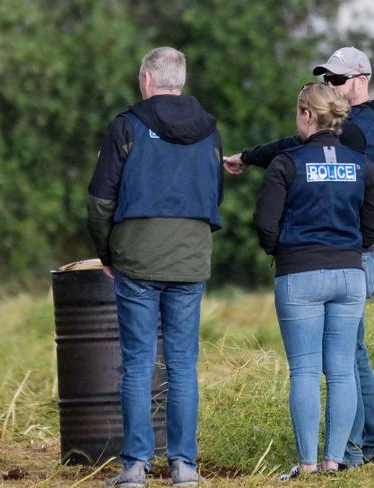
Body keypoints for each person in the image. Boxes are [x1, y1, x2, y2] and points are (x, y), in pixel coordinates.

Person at [226, 46, 374, 468]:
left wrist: (285, 251)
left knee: (325, 364)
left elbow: (296, 153)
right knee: (347, 360)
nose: (331, 87)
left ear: (360, 79)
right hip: (350, 258)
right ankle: (350, 453)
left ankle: (358, 451)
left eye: (336, 81)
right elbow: (308, 144)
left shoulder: (362, 128)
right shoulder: (363, 131)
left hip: (333, 259)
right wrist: (250, 155)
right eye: (327, 81)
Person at [87, 46, 223, 487]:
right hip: (190, 258)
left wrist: (107, 252)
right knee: (183, 365)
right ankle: (184, 466)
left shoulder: (126, 126)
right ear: (179, 81)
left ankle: (134, 468)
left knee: (139, 363)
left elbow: (101, 199)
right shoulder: (210, 131)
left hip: (137, 259)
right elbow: (215, 193)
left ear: (147, 80)